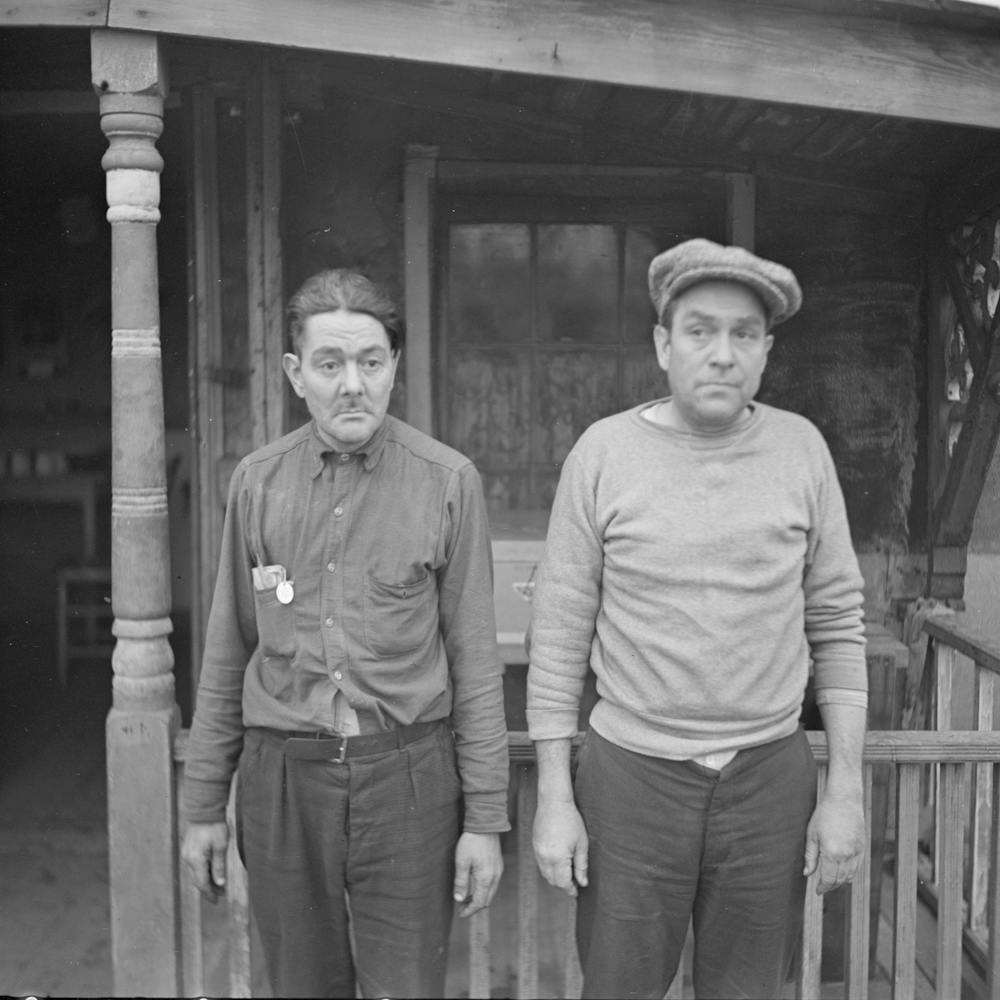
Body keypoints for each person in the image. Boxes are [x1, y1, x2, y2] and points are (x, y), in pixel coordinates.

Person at [527, 239, 868, 999]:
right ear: (662, 343)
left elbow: (838, 626)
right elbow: (556, 634)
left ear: (767, 351)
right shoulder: (604, 453)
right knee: (618, 987)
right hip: (629, 779)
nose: (722, 354)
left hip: (767, 780)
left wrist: (844, 789)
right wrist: (555, 797)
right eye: (699, 331)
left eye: (744, 334)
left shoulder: (801, 450)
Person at [181, 269, 510, 999]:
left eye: (370, 361)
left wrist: (485, 818)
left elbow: (475, 662)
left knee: (406, 988)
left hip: (410, 782)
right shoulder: (257, 483)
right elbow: (227, 648)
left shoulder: (447, 482)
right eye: (330, 364)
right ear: (299, 374)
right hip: (283, 781)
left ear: (394, 366)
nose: (352, 384)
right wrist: (204, 805)